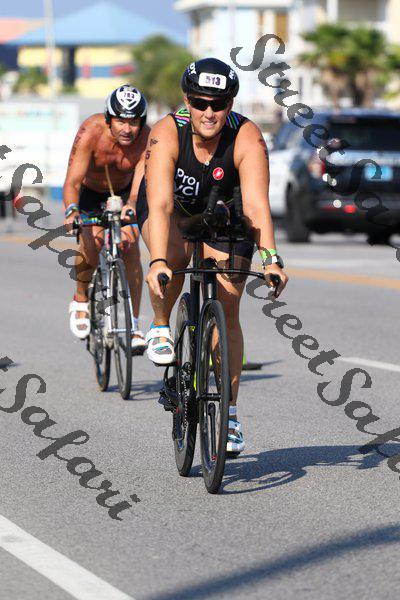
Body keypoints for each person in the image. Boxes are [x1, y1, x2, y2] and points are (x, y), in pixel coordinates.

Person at [136, 58, 288, 453]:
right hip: (172, 212)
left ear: (230, 104)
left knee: (229, 306)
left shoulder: (246, 135)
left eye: (218, 104)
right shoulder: (168, 131)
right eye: (200, 102)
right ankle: (160, 323)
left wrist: (271, 258)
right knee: (172, 259)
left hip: (223, 213)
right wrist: (157, 262)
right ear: (187, 101)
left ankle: (230, 414)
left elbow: (256, 204)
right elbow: (159, 203)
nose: (209, 112)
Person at [63, 85, 149, 352]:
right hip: (90, 193)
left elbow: (139, 183)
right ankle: (80, 299)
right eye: (121, 121)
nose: (127, 129)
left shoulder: (147, 138)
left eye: (133, 122)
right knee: (92, 242)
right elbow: (72, 181)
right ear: (109, 119)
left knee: (131, 246)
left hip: (125, 193)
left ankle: (134, 326)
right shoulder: (91, 131)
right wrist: (72, 211)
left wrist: (131, 205)